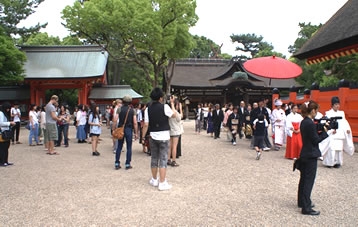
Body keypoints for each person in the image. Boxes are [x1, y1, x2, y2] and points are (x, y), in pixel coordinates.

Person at [141, 88, 176, 191]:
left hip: (153, 136)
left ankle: (154, 179)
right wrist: (172, 104)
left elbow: (146, 124)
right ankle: (162, 182)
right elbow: (174, 115)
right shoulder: (165, 107)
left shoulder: (148, 109)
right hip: (164, 136)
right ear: (161, 98)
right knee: (163, 159)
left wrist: (143, 136)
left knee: (154, 158)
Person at [297, 100, 328, 216]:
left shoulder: (305, 122)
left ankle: (302, 201)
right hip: (311, 154)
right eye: (316, 110)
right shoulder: (309, 123)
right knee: (308, 181)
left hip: (305, 153)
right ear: (313, 110)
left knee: (304, 179)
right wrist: (325, 132)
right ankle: (306, 207)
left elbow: (312, 132)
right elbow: (316, 140)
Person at [320, 97, 354, 168]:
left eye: (338, 104)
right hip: (333, 134)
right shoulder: (328, 113)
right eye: (336, 104)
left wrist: (347, 129)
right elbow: (326, 123)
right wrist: (331, 130)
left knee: (339, 149)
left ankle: (338, 162)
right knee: (332, 149)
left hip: (340, 133)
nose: (337, 106)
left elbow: (344, 122)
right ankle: (330, 163)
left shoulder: (341, 113)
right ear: (332, 105)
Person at [114, 95, 138, 170]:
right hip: (129, 129)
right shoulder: (132, 110)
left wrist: (114, 129)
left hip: (121, 128)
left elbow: (115, 119)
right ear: (130, 102)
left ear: (123, 101)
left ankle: (117, 163)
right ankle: (127, 163)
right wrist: (136, 132)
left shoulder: (119, 109)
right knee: (129, 147)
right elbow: (135, 122)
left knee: (119, 146)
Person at [168, 99, 183, 166]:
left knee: (169, 146)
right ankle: (173, 160)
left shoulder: (168, 112)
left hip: (169, 130)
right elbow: (180, 118)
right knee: (174, 146)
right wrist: (181, 109)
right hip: (176, 130)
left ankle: (168, 159)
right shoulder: (175, 112)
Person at [0, 102, 16, 167]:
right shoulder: (1, 113)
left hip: (6, 132)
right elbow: (1, 123)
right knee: (2, 148)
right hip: (3, 132)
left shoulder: (4, 113)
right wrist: (9, 123)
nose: (8, 110)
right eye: (7, 108)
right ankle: (2, 161)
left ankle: (5, 161)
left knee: (6, 147)